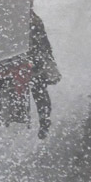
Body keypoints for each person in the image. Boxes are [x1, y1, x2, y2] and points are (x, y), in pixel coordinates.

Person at [30, 11, 61, 139]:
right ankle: (44, 120)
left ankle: (44, 120)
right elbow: (45, 44)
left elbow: (43, 44)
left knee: (38, 89)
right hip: (36, 57)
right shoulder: (33, 19)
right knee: (39, 90)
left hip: (35, 58)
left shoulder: (32, 20)